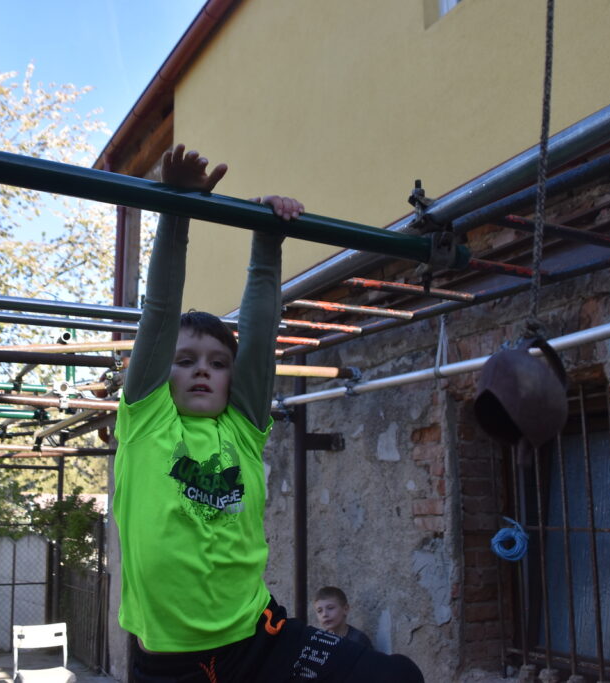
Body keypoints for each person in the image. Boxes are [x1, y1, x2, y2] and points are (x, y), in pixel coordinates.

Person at [113, 144, 424, 682]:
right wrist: (176, 208)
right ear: (161, 371)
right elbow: (159, 312)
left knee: (398, 677)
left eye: (217, 363)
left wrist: (267, 242)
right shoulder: (147, 422)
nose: (203, 371)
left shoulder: (241, 428)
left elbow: (258, 338)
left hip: (260, 638)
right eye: (184, 361)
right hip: (170, 663)